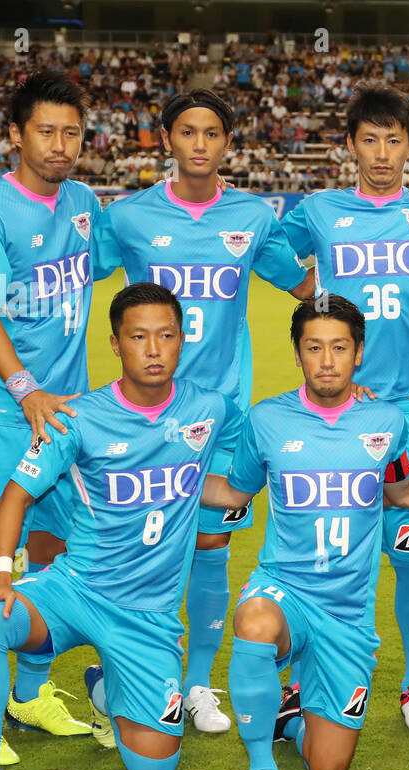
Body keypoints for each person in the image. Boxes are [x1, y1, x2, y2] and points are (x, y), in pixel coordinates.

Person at [0, 282, 244, 770]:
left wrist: (347, 411)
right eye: (138, 337)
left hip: (148, 619)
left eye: (166, 336)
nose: (153, 350)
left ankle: (106, 690)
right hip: (75, 592)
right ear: (115, 343)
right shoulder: (76, 417)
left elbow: (245, 462)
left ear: (183, 340)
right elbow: (15, 495)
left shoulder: (210, 408)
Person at [94, 88, 313, 736]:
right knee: (141, 545)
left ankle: (196, 685)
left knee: (212, 545)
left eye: (211, 133)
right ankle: (126, 670)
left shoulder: (252, 215)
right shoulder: (131, 216)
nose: (198, 143)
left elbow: (302, 284)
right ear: (167, 140)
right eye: (186, 131)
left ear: (226, 143)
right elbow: (80, 270)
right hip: (142, 415)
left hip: (222, 415)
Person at [278, 83, 409, 732]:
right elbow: (269, 248)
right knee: (327, 552)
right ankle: (302, 682)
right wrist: (316, 300)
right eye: (370, 139)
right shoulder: (320, 211)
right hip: (338, 411)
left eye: (395, 140)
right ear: (349, 145)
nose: (382, 153)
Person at [203, 296, 409, 770]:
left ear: (358, 353)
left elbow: (402, 492)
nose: (326, 361)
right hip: (285, 590)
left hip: (347, 614)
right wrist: (160, 477)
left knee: (327, 767)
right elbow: (235, 491)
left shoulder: (387, 422)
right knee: (253, 621)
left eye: (339, 348)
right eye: (313, 348)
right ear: (297, 354)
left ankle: (291, 717)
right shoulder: (267, 418)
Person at [0, 69, 102, 768]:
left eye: (72, 132)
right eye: (47, 131)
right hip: (7, 415)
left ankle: (30, 695)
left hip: (71, 418)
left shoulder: (85, 203)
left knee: (54, 553)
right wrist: (25, 387)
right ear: (16, 134)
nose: (60, 144)